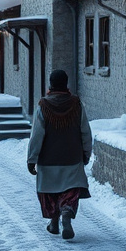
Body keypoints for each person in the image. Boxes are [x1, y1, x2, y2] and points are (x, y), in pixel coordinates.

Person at [27, 69, 92, 240]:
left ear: (51, 84)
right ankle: (66, 214)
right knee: (69, 191)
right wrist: (86, 153)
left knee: (50, 190)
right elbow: (85, 131)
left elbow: (37, 135)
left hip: (48, 160)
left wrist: (32, 158)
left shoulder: (43, 105)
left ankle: (54, 222)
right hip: (72, 157)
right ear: (66, 84)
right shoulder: (76, 104)